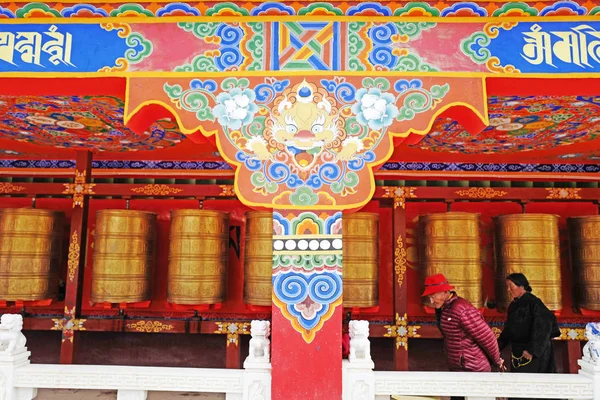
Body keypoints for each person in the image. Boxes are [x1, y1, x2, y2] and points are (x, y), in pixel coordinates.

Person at [423, 274, 504, 380]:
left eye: (433, 297)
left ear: (445, 292)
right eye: (430, 297)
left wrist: (497, 361)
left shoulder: (462, 310)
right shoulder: (444, 308)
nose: (431, 301)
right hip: (459, 368)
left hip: (474, 369)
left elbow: (487, 338)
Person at [498, 273, 559, 376]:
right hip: (518, 352)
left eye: (511, 286)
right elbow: (509, 330)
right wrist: (496, 347)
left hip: (532, 354)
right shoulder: (513, 306)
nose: (508, 290)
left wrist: (532, 350)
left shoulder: (534, 303)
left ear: (521, 286)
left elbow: (544, 327)